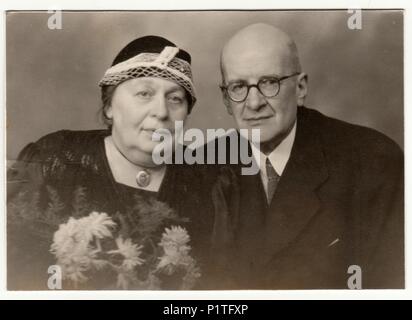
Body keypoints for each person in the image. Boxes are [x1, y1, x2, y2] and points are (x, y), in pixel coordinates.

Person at [7, 36, 214, 290]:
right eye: (144, 93)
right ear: (109, 107)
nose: (161, 112)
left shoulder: (206, 181)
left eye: (175, 99)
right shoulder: (57, 158)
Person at [207, 23, 404, 289]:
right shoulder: (203, 167)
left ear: (300, 88)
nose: (254, 103)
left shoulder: (373, 161)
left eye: (269, 83)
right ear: (226, 99)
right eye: (239, 87)